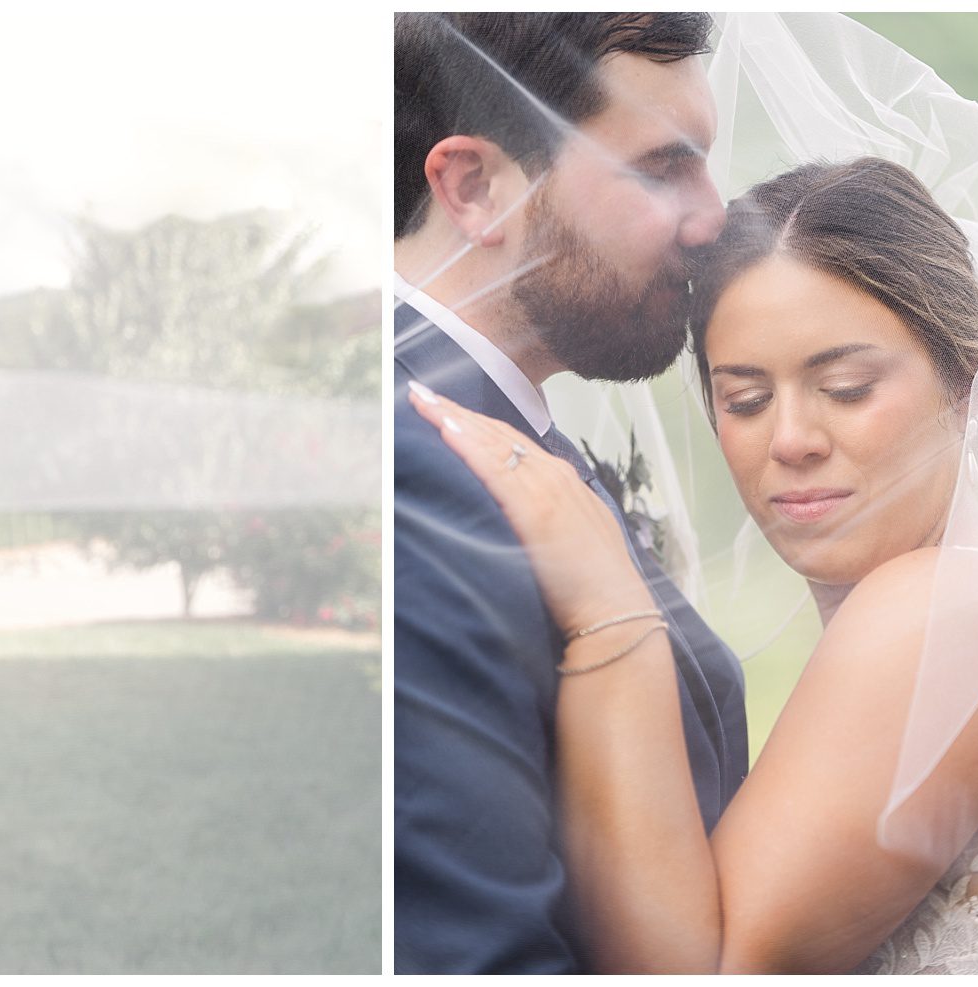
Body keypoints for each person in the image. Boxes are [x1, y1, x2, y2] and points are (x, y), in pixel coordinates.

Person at [408, 155, 978, 974]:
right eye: (744, 398)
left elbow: (709, 965)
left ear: (966, 386)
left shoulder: (947, 605)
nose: (791, 439)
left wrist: (609, 611)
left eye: (845, 387)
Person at [390, 12, 744, 973]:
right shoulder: (413, 468)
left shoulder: (508, 431)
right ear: (475, 187)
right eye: (662, 167)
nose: (714, 216)